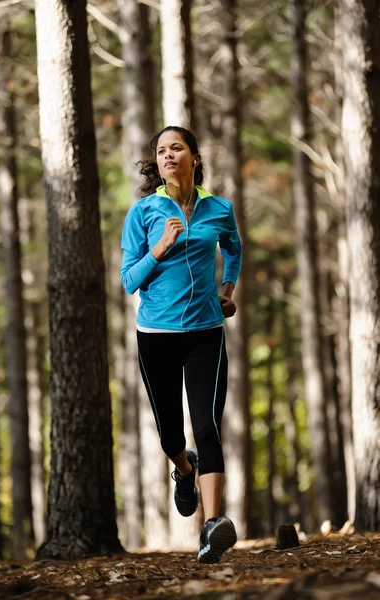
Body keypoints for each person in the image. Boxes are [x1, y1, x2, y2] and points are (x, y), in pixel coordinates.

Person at [120, 125, 243, 563]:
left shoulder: (218, 208)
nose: (168, 155)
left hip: (206, 333)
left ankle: (213, 527)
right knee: (171, 434)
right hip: (156, 337)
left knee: (208, 425)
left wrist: (228, 289)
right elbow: (128, 281)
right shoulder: (144, 213)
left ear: (195, 157)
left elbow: (234, 249)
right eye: (161, 151)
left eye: (176, 148)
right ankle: (183, 468)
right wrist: (161, 247)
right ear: (156, 164)